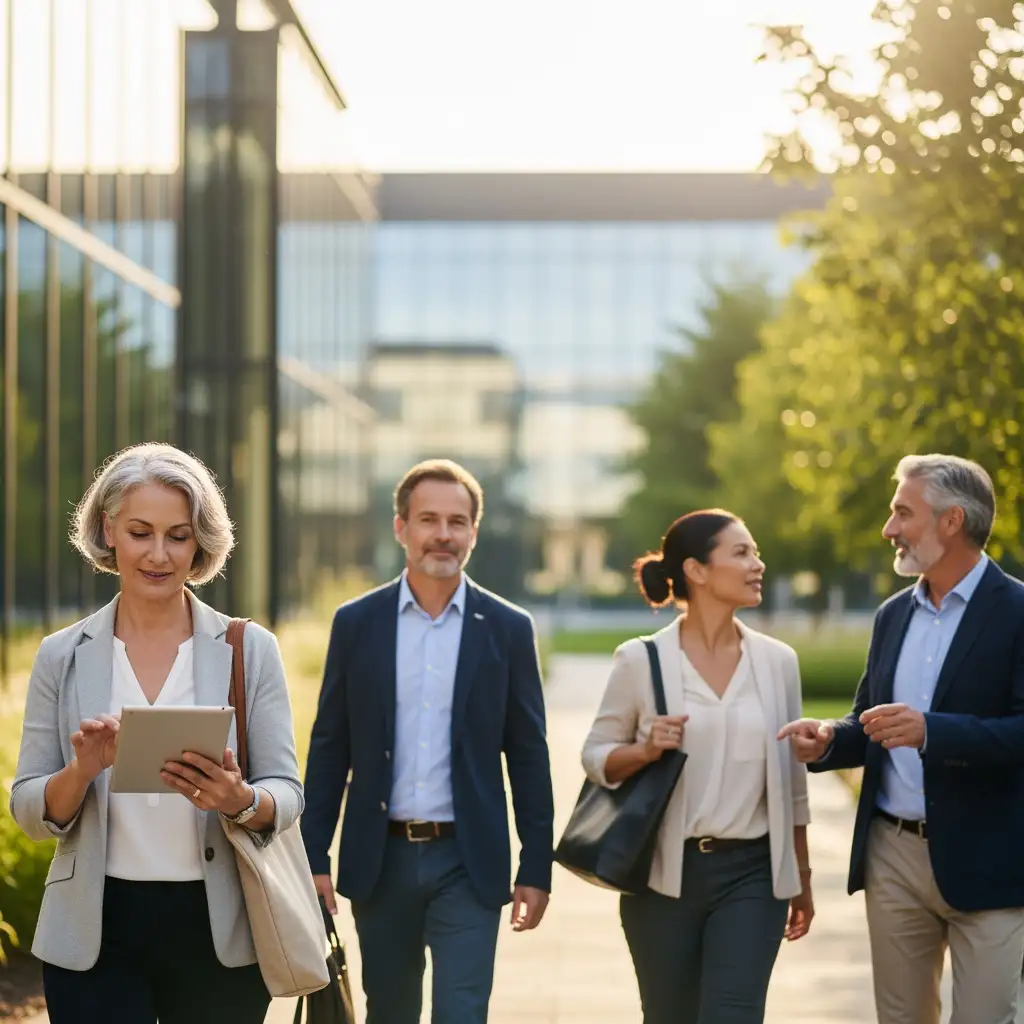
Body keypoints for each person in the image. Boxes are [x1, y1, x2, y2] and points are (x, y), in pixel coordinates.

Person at [10, 443, 303, 1024]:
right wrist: (83, 769)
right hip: (95, 932)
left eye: (179, 536)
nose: (159, 554)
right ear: (108, 530)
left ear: (200, 543)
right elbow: (28, 809)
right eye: (140, 533)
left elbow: (287, 793)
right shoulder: (61, 656)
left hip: (219, 929)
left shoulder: (248, 649)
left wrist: (240, 799)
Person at [301, 458, 555, 1024]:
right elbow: (330, 747)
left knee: (462, 1012)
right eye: (428, 519)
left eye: (457, 522)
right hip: (380, 859)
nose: (443, 534)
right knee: (389, 1011)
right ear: (401, 527)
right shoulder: (357, 623)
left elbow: (529, 755)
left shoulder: (509, 628)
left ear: (473, 532)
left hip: (469, 860)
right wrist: (313, 855)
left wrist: (536, 864)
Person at [779, 454, 1024, 1024]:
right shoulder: (893, 614)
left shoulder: (1018, 612)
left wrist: (932, 731)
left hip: (992, 857)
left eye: (902, 513)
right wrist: (829, 739)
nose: (889, 528)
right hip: (893, 855)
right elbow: (869, 719)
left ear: (952, 521)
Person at [582, 509, 814, 1024]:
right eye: (742, 553)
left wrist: (799, 874)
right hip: (663, 877)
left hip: (752, 875)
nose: (758, 564)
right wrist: (644, 750)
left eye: (755, 553)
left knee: (735, 1014)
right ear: (696, 570)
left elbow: (791, 781)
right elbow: (595, 756)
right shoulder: (641, 660)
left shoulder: (778, 662)